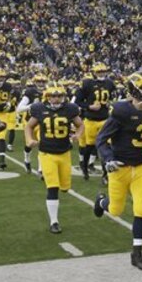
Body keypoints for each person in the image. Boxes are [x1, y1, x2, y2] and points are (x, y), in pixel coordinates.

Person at [94, 72, 142, 270]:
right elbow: (100, 139)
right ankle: (101, 202)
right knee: (116, 210)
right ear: (134, 90)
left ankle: (137, 253)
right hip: (120, 167)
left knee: (141, 209)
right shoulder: (121, 111)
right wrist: (108, 159)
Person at [25, 83, 84, 233]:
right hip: (47, 153)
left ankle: (55, 216)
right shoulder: (39, 108)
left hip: (64, 153)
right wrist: (29, 140)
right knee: (53, 188)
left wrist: (77, 135)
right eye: (53, 96)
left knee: (65, 188)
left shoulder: (70, 108)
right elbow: (29, 126)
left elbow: (80, 124)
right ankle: (54, 222)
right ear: (47, 96)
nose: (56, 99)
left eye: (59, 96)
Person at [74, 62, 115, 182]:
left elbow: (111, 96)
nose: (101, 74)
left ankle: (105, 174)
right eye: (99, 72)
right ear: (94, 72)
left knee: (106, 147)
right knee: (89, 146)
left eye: (103, 71)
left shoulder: (110, 83)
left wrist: (109, 103)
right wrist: (89, 106)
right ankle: (85, 167)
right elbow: (78, 101)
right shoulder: (87, 83)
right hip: (90, 120)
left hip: (105, 120)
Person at [0, 68, 12, 169]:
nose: (0, 79)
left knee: (1, 136)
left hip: (3, 114)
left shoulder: (8, 86)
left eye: (2, 77)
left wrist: (8, 103)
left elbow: (9, 97)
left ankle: (2, 161)